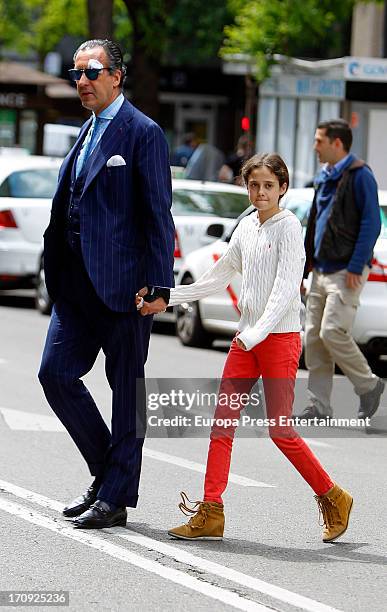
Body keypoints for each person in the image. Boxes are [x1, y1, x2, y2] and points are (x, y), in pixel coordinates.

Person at [137, 153, 353, 543]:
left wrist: (254, 334)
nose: (260, 192)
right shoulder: (246, 227)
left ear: (283, 188)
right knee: (221, 425)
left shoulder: (289, 228)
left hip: (279, 340)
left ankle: (333, 495)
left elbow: (286, 291)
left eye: (268, 185)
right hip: (248, 340)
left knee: (279, 430)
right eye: (254, 184)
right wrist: (166, 298)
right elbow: (215, 279)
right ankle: (212, 511)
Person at [38, 39, 175, 529]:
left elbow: (159, 215)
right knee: (54, 374)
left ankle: (114, 498)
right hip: (74, 288)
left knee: (126, 395)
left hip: (124, 288)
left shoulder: (144, 133)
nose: (83, 82)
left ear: (117, 76)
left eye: (92, 72)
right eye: (77, 74)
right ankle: (109, 477)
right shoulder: (87, 130)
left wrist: (160, 284)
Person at [300, 119, 384, 421]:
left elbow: (371, 223)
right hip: (320, 269)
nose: (315, 147)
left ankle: (369, 385)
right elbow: (314, 222)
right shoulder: (323, 177)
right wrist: (305, 265)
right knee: (313, 338)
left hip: (345, 271)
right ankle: (318, 406)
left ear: (338, 143)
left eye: (319, 141)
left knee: (332, 332)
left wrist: (356, 263)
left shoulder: (361, 175)